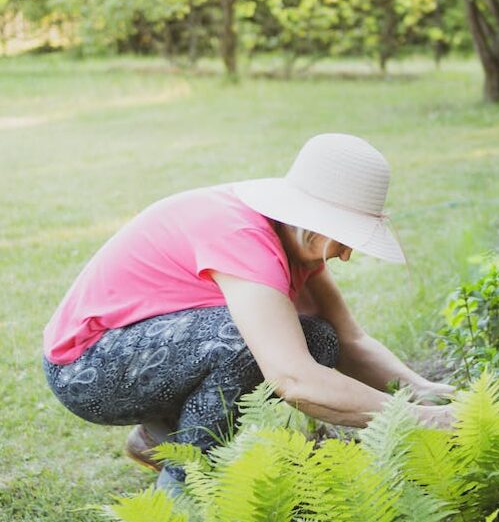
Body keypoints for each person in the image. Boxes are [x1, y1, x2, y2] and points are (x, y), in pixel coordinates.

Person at [42, 133, 454, 492]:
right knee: (246, 346)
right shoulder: (242, 238)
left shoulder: (294, 242)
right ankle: (191, 483)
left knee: (319, 338)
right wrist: (425, 420)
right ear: (310, 221)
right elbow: (294, 379)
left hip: (141, 351)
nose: (346, 255)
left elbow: (351, 341)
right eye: (345, 238)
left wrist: (433, 395)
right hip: (86, 369)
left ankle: (158, 436)